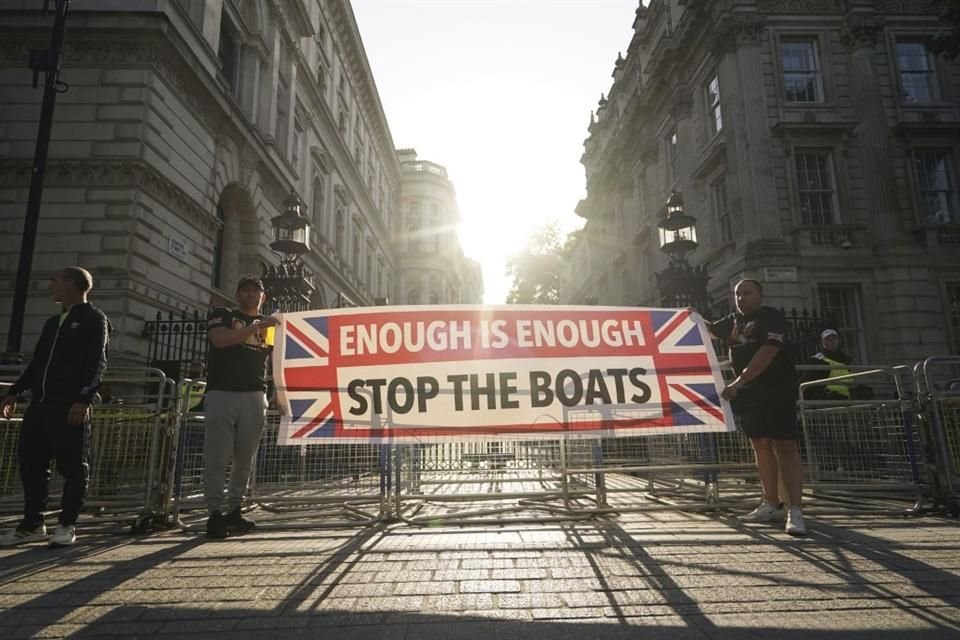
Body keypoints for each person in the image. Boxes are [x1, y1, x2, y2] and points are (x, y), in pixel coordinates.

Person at [0, 267, 110, 548]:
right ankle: (32, 523)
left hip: (69, 405)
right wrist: (14, 391)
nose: (51, 286)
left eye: (55, 281)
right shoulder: (52, 323)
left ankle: (67, 523)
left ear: (72, 284)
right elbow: (37, 364)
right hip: (40, 405)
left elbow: (97, 363)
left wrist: (83, 399)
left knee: (72, 466)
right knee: (31, 464)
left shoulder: (94, 319)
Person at [704, 278, 806, 536]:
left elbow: (767, 353)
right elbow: (708, 330)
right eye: (737, 294)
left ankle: (795, 509)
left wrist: (738, 382)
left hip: (777, 390)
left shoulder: (771, 317)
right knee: (760, 445)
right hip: (750, 396)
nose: (741, 298)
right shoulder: (733, 321)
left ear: (760, 295)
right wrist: (690, 317)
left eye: (747, 293)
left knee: (786, 445)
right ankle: (771, 503)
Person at [202, 275, 278, 539]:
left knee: (245, 457)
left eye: (255, 291)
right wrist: (256, 326)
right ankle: (214, 512)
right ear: (237, 294)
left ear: (263, 297)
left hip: (255, 394)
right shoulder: (222, 314)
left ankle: (235, 508)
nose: (250, 295)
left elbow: (274, 360)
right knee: (218, 455)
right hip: (222, 392)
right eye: (245, 290)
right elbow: (220, 340)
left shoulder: (271, 326)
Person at [804, 329, 854, 400]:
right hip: (828, 399)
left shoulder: (847, 359)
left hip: (848, 399)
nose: (831, 341)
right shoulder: (817, 360)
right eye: (827, 339)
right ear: (823, 342)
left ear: (838, 341)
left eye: (834, 338)